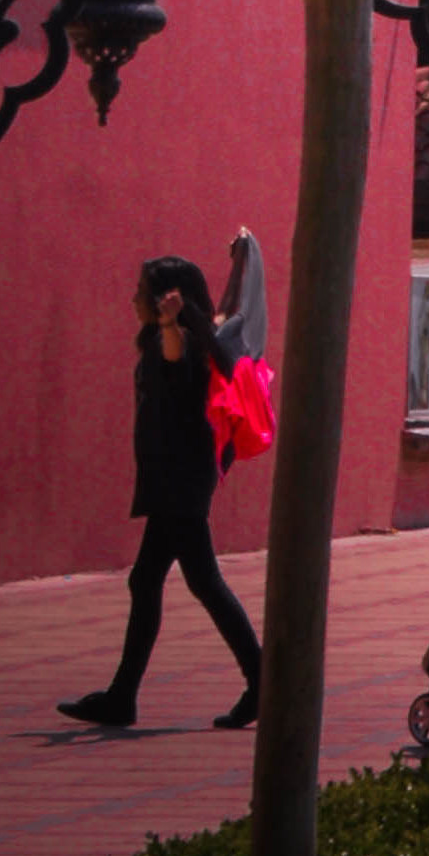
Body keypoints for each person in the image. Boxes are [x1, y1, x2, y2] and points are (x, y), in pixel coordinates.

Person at [61, 255, 264, 731]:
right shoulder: (191, 338)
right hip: (178, 480)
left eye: (140, 291)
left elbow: (176, 356)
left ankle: (257, 680)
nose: (133, 299)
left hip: (180, 484)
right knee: (165, 581)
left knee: (188, 581)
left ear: (162, 300)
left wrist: (171, 322)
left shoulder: (179, 341)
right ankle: (125, 696)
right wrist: (239, 260)